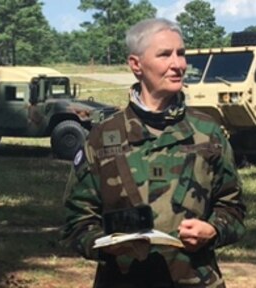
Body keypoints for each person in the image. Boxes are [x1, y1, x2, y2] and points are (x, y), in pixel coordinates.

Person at [62, 18, 246, 288]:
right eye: (164, 55)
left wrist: (214, 229)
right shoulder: (102, 137)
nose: (178, 64)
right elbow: (76, 221)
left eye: (181, 54)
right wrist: (104, 246)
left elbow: (234, 208)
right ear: (136, 65)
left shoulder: (208, 133)